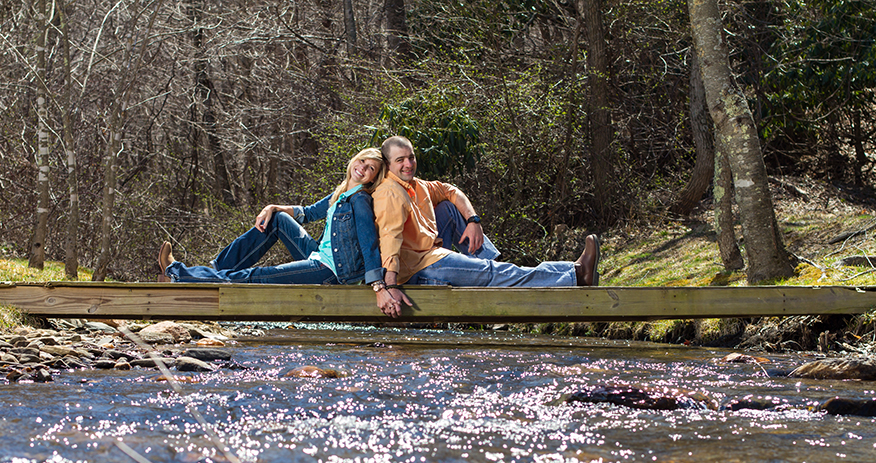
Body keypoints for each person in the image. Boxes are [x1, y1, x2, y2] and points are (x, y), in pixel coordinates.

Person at [372, 136, 600, 318]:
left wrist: (473, 221)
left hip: (430, 253)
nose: (408, 164)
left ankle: (494, 267)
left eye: (411, 157)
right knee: (495, 273)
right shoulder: (390, 192)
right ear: (388, 164)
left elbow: (450, 191)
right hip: (420, 267)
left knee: (449, 209)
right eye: (400, 160)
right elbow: (390, 241)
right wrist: (390, 287)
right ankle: (576, 275)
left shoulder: (416, 185)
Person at [157, 147, 397, 309]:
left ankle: (179, 273)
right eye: (362, 161)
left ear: (373, 178)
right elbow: (309, 213)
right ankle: (216, 271)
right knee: (278, 219)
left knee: (258, 276)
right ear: (355, 159)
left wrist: (378, 286)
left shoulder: (360, 200)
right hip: (319, 256)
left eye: (371, 169)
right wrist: (272, 207)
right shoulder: (343, 190)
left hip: (331, 271)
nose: (363, 168)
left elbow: (369, 243)